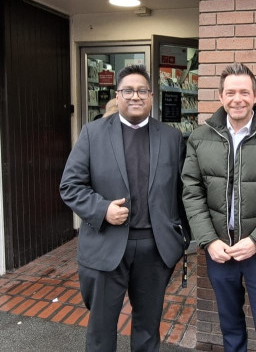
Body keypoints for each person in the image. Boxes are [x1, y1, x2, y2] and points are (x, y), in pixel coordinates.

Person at [60, 64, 189, 352]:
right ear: (117, 95)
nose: (135, 96)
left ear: (151, 96)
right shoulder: (92, 134)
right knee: (101, 331)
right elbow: (70, 186)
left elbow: (183, 194)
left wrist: (182, 238)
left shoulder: (171, 138)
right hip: (106, 246)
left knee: (147, 328)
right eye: (128, 90)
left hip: (154, 249)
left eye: (142, 90)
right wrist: (102, 209)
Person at [182, 63, 256, 352]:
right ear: (221, 97)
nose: (238, 99)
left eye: (244, 92)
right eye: (230, 92)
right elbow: (191, 192)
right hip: (219, 250)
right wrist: (208, 240)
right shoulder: (200, 138)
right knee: (230, 325)